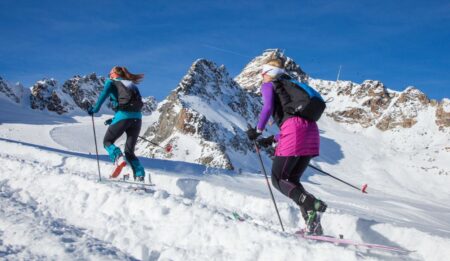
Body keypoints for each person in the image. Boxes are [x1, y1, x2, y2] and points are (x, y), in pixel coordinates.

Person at [246, 58, 327, 235]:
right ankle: (312, 225)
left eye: (263, 71)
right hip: (311, 132)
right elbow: (296, 122)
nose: (261, 75)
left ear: (269, 73)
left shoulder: (270, 85)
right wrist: (271, 139)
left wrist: (258, 131)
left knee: (278, 179)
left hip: (294, 132)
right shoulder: (290, 86)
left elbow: (267, 108)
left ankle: (311, 203)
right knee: (292, 181)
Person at [88, 66, 146, 182]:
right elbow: (128, 103)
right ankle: (140, 176)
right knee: (130, 151)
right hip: (137, 118)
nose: (109, 74)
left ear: (115, 73)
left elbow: (103, 96)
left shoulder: (111, 82)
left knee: (107, 142)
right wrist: (114, 119)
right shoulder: (130, 84)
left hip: (123, 116)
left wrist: (94, 110)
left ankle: (118, 158)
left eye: (111, 72)